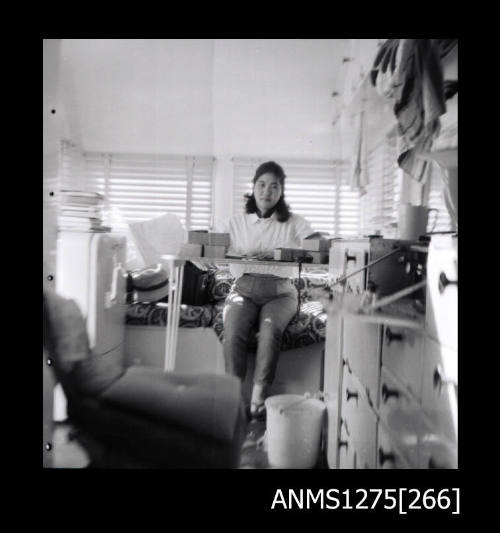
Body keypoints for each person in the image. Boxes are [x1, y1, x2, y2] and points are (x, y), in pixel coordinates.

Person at [216, 161, 314, 419]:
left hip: (281, 292)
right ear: (253, 187)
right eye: (261, 185)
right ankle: (235, 397)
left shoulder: (294, 223)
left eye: (274, 186)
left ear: (281, 191)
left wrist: (280, 253)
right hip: (243, 290)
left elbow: (315, 243)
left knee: (270, 332)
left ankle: (259, 398)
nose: (266, 191)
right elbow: (214, 247)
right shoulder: (236, 222)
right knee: (233, 330)